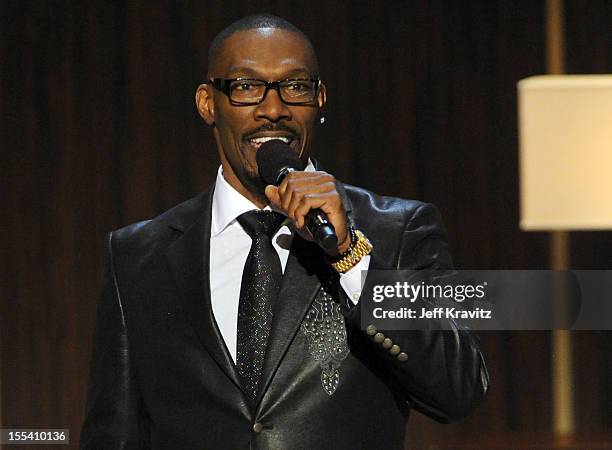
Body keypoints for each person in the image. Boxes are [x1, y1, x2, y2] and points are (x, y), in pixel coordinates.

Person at [80, 14, 488, 450]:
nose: (273, 110)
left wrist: (350, 255)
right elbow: (113, 434)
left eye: (295, 87)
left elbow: (458, 389)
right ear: (207, 103)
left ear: (320, 99)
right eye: (246, 87)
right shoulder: (137, 255)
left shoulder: (397, 229)